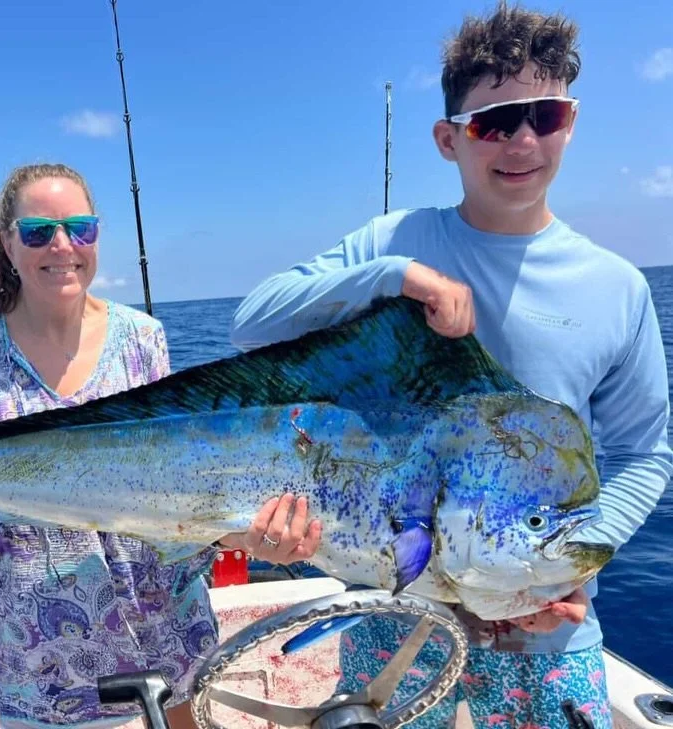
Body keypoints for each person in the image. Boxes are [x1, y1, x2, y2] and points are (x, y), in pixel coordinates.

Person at [228, 3, 672, 728]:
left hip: (544, 630)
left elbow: (645, 452)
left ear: (571, 121)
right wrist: (397, 274)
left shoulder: (618, 287)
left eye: (546, 115)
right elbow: (254, 321)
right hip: (397, 613)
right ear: (449, 138)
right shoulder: (396, 239)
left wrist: (574, 567)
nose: (523, 139)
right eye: (496, 122)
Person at [0, 162, 322, 729]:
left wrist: (250, 536)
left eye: (81, 228)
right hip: (37, 665)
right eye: (40, 231)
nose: (63, 245)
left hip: (164, 640)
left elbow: (172, 495)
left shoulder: (143, 338)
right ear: (8, 243)